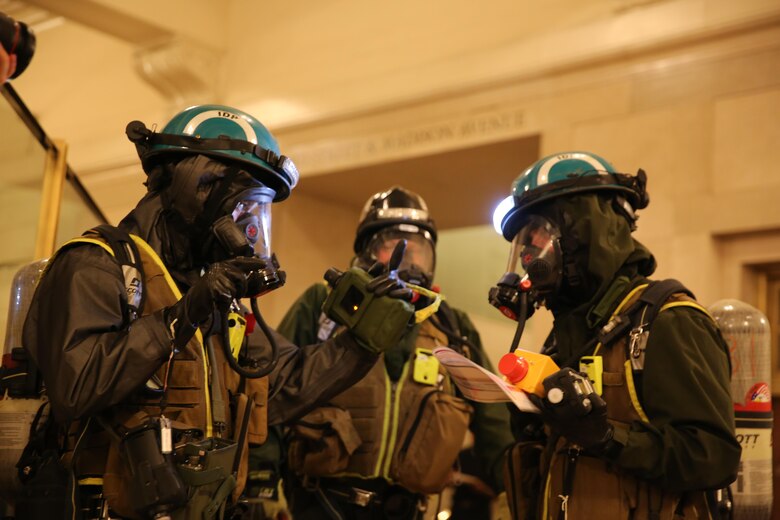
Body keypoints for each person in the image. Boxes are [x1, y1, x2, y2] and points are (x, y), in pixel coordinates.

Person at [20, 105, 414, 520]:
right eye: (246, 208)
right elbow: (76, 387)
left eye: (259, 212)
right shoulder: (98, 264)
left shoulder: (215, 291)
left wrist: (362, 341)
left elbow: (282, 385)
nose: (253, 228)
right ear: (200, 188)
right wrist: (182, 315)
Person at [490, 151, 741, 519]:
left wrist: (606, 436)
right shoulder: (564, 338)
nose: (529, 254)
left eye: (540, 231)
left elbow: (712, 458)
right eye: (524, 241)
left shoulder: (669, 320)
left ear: (589, 227)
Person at [277, 186, 514, 519]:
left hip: (408, 509)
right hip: (321, 504)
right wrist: (261, 485)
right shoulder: (324, 306)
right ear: (365, 253)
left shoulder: (452, 327)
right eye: (394, 246)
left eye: (420, 249)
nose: (410, 259)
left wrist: (513, 493)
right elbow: (270, 391)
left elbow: (494, 422)